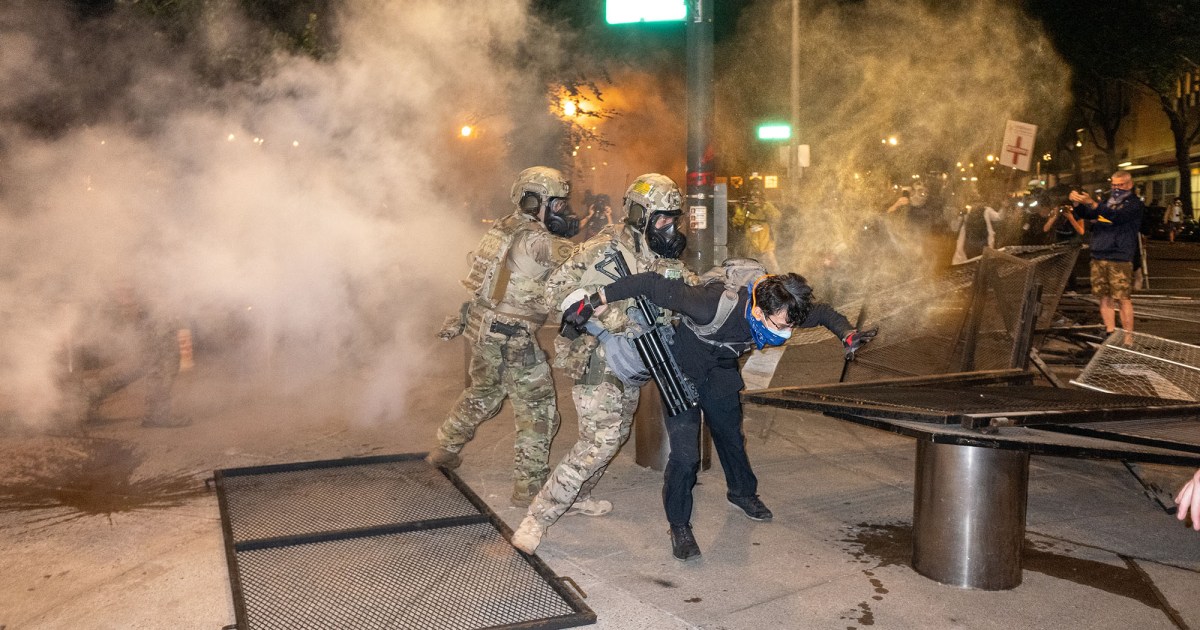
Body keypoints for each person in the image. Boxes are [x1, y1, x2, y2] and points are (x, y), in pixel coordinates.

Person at [548, 265, 876, 561]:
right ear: (759, 311)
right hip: (682, 369)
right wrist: (592, 300)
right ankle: (679, 525)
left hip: (720, 369)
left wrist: (846, 333)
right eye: (780, 325)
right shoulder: (708, 304)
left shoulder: (784, 307)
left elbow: (822, 313)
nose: (786, 331)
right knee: (686, 455)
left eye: (790, 325)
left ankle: (742, 493)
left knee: (730, 433)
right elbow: (650, 283)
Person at [510, 173, 695, 553]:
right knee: (602, 438)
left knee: (612, 437)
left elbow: (685, 287)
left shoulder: (661, 256)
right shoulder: (604, 249)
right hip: (601, 355)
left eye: (674, 218)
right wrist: (610, 318)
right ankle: (536, 518)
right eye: (664, 218)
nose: (671, 227)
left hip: (639, 358)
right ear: (642, 214)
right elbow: (556, 289)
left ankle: (577, 497)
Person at [426, 166, 579, 506]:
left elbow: (486, 283)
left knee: (484, 392)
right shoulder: (538, 241)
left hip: (482, 329)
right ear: (531, 201)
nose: (562, 212)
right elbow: (580, 262)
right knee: (539, 409)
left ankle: (445, 449)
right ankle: (530, 489)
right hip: (511, 336)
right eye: (555, 205)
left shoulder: (500, 230)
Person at [64, 283, 191, 428]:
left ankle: (89, 397)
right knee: (163, 362)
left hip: (151, 308)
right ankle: (158, 415)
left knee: (144, 363)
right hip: (156, 310)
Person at [1070, 170, 1145, 336]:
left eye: (1120, 185)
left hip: (1119, 255)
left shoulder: (1134, 204)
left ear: (1129, 185)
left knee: (1123, 298)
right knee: (1104, 297)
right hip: (1099, 253)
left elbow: (1117, 217)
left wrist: (1095, 205)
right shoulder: (1107, 201)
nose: (1116, 188)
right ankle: (1110, 332)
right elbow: (1087, 214)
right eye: (1114, 185)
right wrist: (1078, 203)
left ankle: (1127, 337)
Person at [731, 177, 782, 271]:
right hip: (750, 240)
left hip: (765, 240)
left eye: (757, 196)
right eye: (752, 196)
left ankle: (777, 278)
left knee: (771, 261)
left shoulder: (766, 205)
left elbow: (777, 216)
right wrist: (741, 207)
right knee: (750, 262)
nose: (754, 199)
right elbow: (737, 221)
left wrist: (764, 206)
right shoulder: (744, 206)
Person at [951, 200, 1003, 264]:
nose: (977, 204)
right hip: (970, 243)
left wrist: (1004, 207)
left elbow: (999, 217)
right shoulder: (967, 211)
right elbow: (955, 228)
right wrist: (960, 215)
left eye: (979, 202)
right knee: (971, 262)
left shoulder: (987, 211)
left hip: (983, 243)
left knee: (983, 262)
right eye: (975, 202)